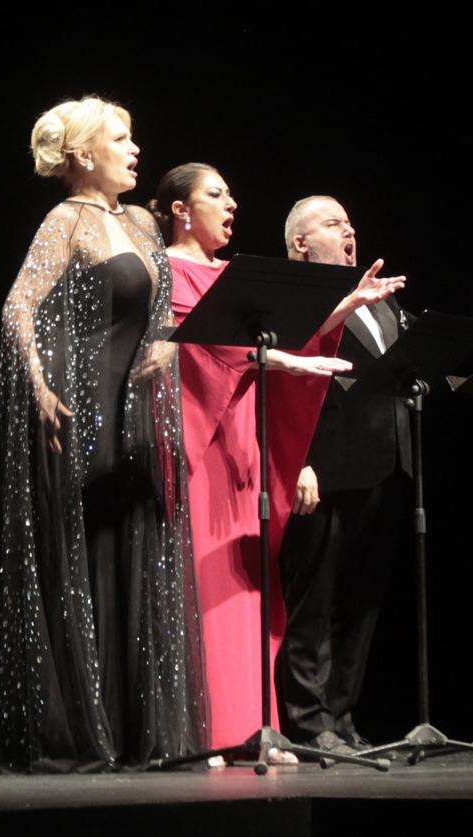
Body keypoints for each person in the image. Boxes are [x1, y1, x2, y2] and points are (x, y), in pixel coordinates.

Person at [149, 166, 404, 756]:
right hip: (224, 441)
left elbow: (290, 351)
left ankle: (264, 725)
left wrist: (334, 322)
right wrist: (291, 380)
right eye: (216, 194)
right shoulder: (175, 270)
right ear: (181, 209)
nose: (232, 203)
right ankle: (229, 727)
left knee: (265, 594)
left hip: (262, 445)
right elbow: (223, 356)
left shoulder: (244, 276)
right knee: (243, 588)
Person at [0, 98, 206, 772]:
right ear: (83, 156)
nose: (135, 148)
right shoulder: (67, 221)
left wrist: (170, 342)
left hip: (138, 411)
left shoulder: (138, 221)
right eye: (120, 138)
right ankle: (84, 727)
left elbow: (164, 310)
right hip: (84, 410)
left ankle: (138, 728)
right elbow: (17, 306)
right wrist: (39, 387)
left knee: (137, 554)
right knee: (93, 559)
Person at [276, 196, 412, 756]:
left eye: (351, 223)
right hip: (325, 470)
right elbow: (280, 388)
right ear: (301, 243)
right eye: (334, 225)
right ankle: (308, 722)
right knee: (316, 600)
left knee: (363, 600)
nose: (349, 232)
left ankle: (342, 715)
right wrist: (297, 461)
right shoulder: (295, 297)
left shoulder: (378, 301)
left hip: (386, 467)